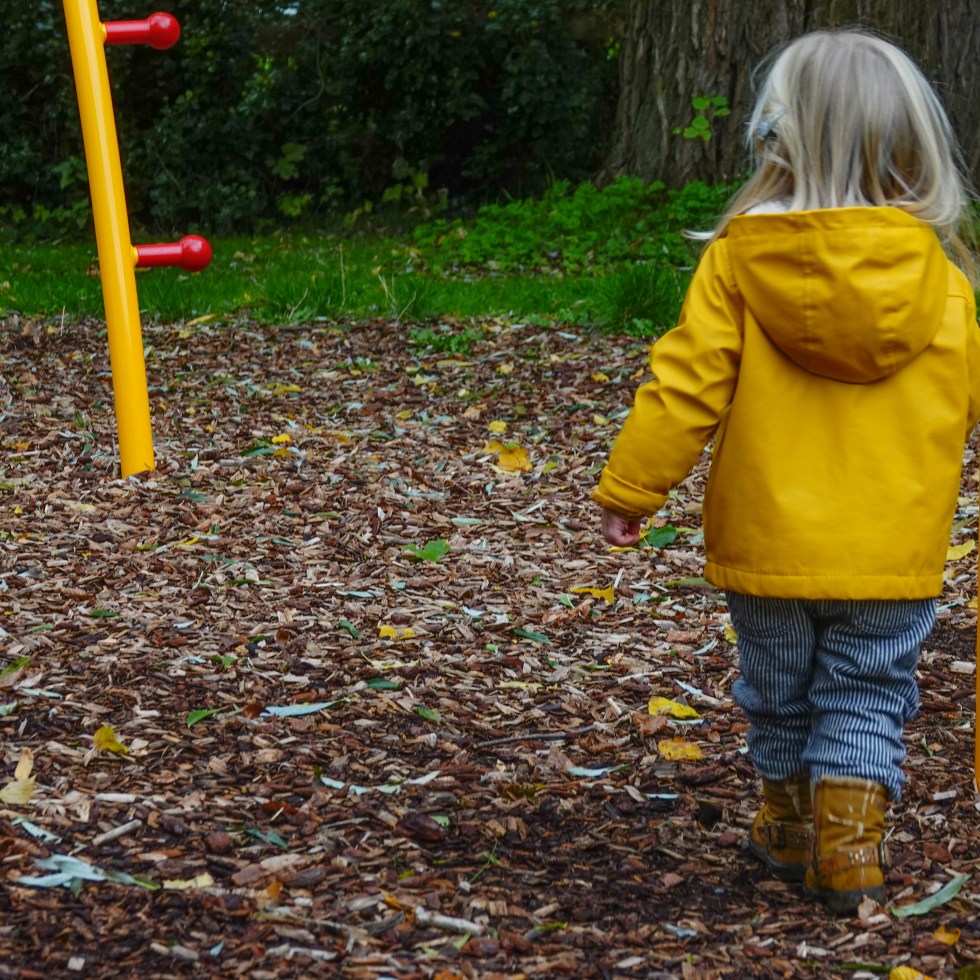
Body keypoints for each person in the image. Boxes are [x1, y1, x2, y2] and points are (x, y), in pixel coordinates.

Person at [594, 29, 980, 915]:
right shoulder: (942, 278)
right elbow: (965, 400)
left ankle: (788, 825)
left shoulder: (739, 260)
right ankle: (849, 854)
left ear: (779, 137)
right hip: (892, 547)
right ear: (910, 143)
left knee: (776, 692)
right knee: (868, 693)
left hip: (768, 542)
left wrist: (631, 488)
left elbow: (684, 386)